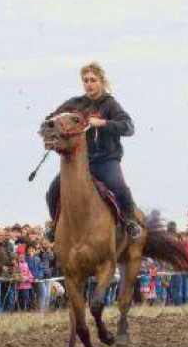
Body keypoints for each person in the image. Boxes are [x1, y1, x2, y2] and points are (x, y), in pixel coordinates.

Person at [43, 62, 143, 241]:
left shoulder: (110, 105)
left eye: (93, 80)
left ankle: (130, 222)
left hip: (105, 161)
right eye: (85, 80)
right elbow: (50, 119)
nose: (89, 84)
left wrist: (104, 123)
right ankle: (54, 225)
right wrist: (52, 127)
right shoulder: (75, 104)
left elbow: (128, 127)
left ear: (101, 82)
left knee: (119, 187)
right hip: (79, 163)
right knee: (53, 191)